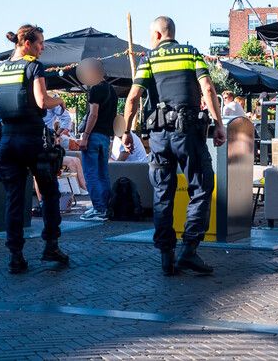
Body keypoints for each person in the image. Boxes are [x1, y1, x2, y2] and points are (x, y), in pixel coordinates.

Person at [122, 16, 226, 276]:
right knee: (202, 188)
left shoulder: (149, 59)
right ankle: (189, 250)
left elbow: (133, 97)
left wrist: (125, 132)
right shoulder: (191, 54)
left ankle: (166, 257)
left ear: (157, 35)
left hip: (158, 137)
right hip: (188, 134)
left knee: (162, 194)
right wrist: (219, 123)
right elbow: (208, 89)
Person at [0, 24, 69, 275]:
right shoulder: (33, 66)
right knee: (49, 194)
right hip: (32, 140)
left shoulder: (0, 68)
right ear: (26, 43)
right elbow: (42, 101)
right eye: (39, 43)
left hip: (7, 141)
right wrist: (59, 100)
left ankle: (16, 255)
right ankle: (51, 245)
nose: (42, 47)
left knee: (15, 199)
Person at [79, 59, 118, 222]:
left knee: (91, 174)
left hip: (94, 136)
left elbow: (93, 114)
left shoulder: (95, 89)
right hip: (105, 137)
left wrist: (85, 136)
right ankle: (105, 207)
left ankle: (99, 209)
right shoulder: (112, 91)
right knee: (103, 174)